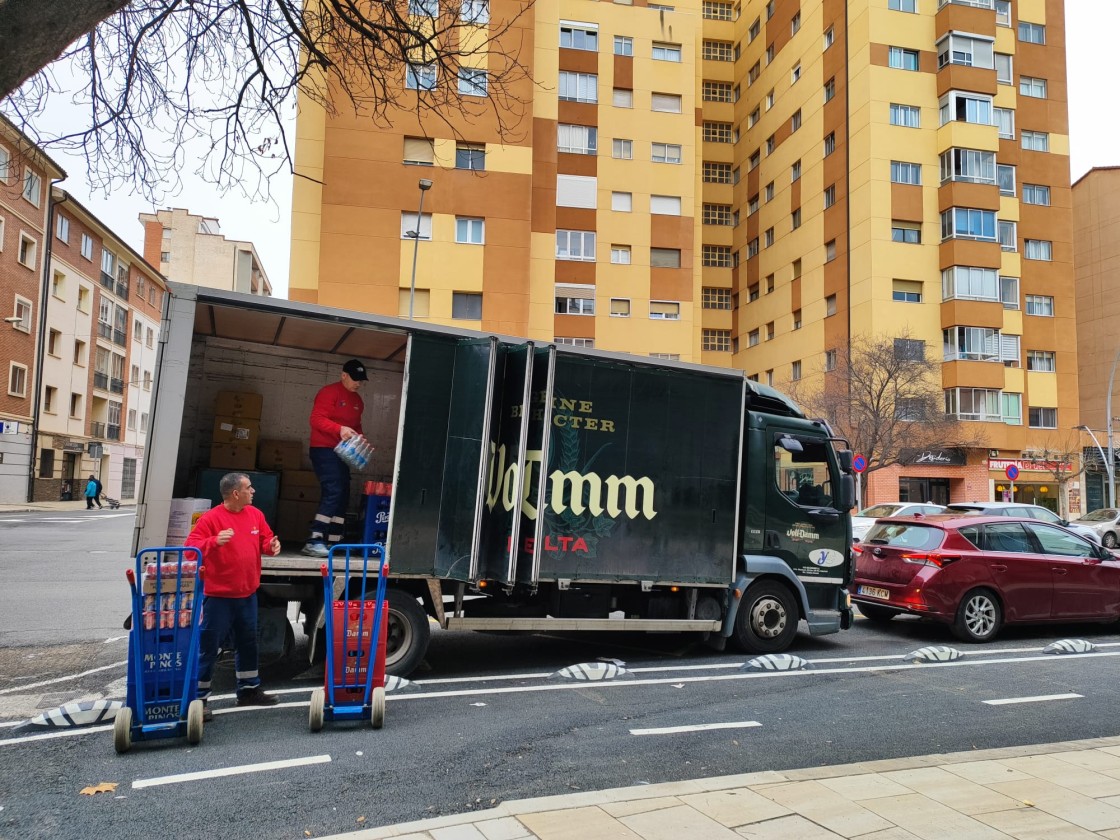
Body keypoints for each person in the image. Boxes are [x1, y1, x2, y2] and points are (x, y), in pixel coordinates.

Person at [185, 472, 282, 720]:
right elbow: (189, 552)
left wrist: (271, 545)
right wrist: (214, 541)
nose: (253, 492)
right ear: (235, 493)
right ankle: (198, 700)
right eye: (249, 488)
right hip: (218, 598)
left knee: (248, 643)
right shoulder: (211, 519)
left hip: (247, 594)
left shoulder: (255, 515)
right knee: (208, 647)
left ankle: (249, 690)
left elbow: (265, 540)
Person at [303, 358, 367, 557]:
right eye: (355, 379)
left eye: (361, 380)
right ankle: (314, 540)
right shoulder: (329, 392)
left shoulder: (358, 402)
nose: (358, 383)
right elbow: (316, 419)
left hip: (343, 452)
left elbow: (355, 427)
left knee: (344, 491)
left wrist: (361, 439)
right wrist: (339, 429)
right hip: (323, 449)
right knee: (334, 490)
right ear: (343, 375)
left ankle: (334, 541)